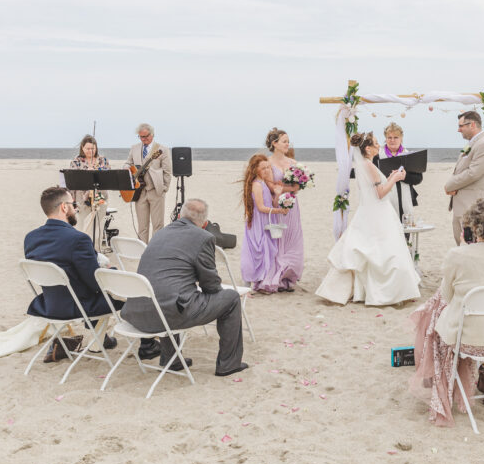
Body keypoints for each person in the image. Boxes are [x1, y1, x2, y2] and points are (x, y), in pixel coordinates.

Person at [409, 198, 484, 426]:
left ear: (473, 225)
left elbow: (448, 296)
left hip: (468, 341)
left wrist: (465, 249)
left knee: (436, 316)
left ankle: (437, 382)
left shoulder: (458, 255)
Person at [23, 187, 160, 359]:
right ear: (64, 207)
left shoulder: (31, 238)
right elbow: (96, 283)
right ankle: (147, 345)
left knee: (93, 289)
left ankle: (101, 339)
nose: (76, 209)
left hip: (48, 304)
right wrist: (110, 271)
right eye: (73, 204)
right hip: (79, 306)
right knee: (135, 291)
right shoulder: (77, 239)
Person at [122, 198, 248, 376]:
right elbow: (210, 285)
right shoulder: (204, 237)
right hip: (166, 315)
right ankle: (228, 364)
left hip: (137, 313)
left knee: (171, 293)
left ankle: (171, 359)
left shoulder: (160, 233)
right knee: (231, 298)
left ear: (180, 216)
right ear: (204, 223)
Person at [315, 132, 420, 306]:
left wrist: (391, 177)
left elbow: (374, 190)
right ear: (368, 149)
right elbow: (380, 193)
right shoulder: (369, 165)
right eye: (376, 143)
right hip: (378, 212)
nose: (379, 146)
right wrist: (395, 178)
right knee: (386, 250)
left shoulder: (363, 165)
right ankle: (390, 291)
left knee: (374, 248)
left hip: (369, 210)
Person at [240, 154, 289, 294]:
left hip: (267, 220)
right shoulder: (256, 185)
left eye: (268, 167)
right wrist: (279, 211)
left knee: (267, 250)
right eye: (263, 168)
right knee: (257, 250)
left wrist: (278, 194)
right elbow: (261, 207)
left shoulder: (264, 184)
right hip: (259, 221)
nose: (267, 170)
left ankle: (261, 282)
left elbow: (271, 203)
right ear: (255, 169)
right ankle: (250, 283)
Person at [444, 111, 484, 245]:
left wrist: (450, 185)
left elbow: (473, 173)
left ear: (472, 125)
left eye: (461, 126)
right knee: (462, 246)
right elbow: (461, 170)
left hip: (472, 206)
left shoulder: (483, 144)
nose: (458, 130)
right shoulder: (473, 144)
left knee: (470, 246)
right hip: (462, 205)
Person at [266, 128, 303, 292]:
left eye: (288, 141)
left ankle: (288, 276)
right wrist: (283, 189)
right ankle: (276, 277)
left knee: (292, 240)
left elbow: (297, 187)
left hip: (291, 206)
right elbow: (270, 186)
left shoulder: (293, 163)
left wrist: (286, 189)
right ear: (274, 144)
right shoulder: (268, 163)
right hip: (275, 205)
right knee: (277, 239)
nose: (287, 144)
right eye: (284, 141)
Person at [125, 123, 172, 243]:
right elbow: (128, 163)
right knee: (142, 226)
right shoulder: (134, 148)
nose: (144, 139)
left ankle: (155, 249)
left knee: (158, 225)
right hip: (139, 191)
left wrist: (164, 188)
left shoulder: (162, 149)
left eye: (146, 136)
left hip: (156, 191)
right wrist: (127, 169)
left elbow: (167, 171)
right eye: (141, 137)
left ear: (152, 134)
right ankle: (142, 249)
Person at [374, 122, 422, 223]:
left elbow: (418, 179)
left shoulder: (408, 155)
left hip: (405, 201)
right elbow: (373, 179)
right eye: (389, 137)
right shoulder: (378, 156)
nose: (392, 140)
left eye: (396, 137)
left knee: (405, 229)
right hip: (385, 200)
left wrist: (405, 176)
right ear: (385, 138)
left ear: (401, 138)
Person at [69, 134, 110, 249]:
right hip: (82, 199)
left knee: (98, 227)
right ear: (82, 148)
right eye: (87, 148)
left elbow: (108, 177)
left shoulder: (103, 160)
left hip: (100, 197)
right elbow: (73, 182)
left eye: (93, 148)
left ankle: (96, 250)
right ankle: (82, 250)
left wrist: (97, 171)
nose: (90, 151)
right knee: (82, 226)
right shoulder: (76, 161)